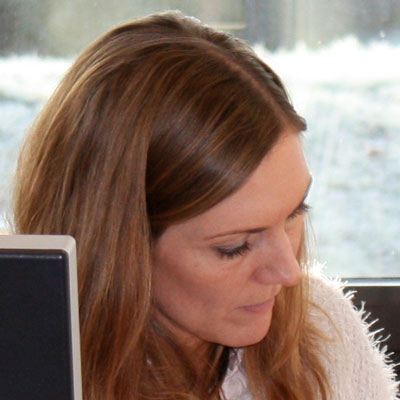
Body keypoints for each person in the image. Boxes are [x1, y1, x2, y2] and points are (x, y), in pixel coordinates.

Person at [12, 11, 398, 400]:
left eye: (295, 212)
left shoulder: (324, 335)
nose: (289, 272)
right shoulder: (30, 373)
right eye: (234, 247)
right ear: (119, 246)